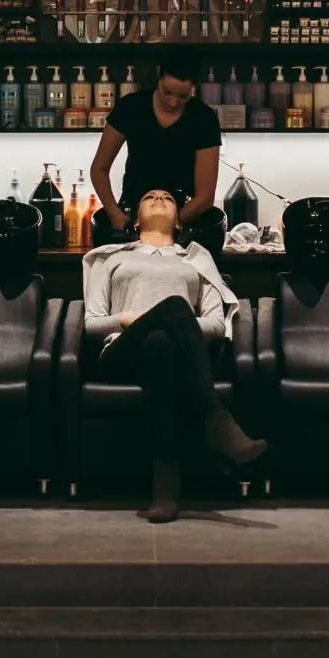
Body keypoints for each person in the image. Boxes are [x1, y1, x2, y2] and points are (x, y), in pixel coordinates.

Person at [82, 189, 267, 522]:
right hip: (120, 352)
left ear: (179, 222)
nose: (157, 197)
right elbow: (92, 323)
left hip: (173, 356)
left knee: (160, 344)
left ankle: (165, 492)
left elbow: (215, 323)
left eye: (167, 198)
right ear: (136, 220)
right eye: (149, 196)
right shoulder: (108, 258)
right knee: (173, 310)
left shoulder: (197, 260)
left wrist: (171, 320)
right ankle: (217, 420)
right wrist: (127, 318)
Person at [89, 52, 220, 245]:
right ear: (159, 78)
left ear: (193, 88)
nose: (173, 102)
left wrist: (172, 223)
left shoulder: (203, 119)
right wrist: (114, 213)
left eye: (183, 96)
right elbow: (99, 169)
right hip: (134, 210)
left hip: (184, 217)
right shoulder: (131, 108)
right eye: (167, 92)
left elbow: (205, 196)